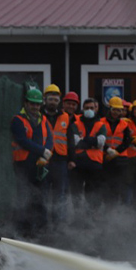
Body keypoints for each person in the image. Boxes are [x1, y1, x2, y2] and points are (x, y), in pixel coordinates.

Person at [10, 87, 53, 238]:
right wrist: (42, 151)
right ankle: (22, 232)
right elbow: (22, 141)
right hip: (23, 166)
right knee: (24, 198)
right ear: (26, 103)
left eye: (37, 104)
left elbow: (49, 138)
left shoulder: (44, 120)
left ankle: (42, 233)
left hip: (40, 166)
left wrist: (46, 154)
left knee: (40, 199)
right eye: (32, 103)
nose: (35, 107)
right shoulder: (18, 120)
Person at [69, 97, 105, 208]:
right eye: (86, 108)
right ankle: (78, 214)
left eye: (91, 108)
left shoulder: (101, 125)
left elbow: (101, 142)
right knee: (76, 190)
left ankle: (92, 215)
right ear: (82, 109)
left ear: (96, 109)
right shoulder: (75, 124)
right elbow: (75, 142)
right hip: (78, 162)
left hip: (95, 163)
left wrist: (84, 139)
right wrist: (92, 142)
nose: (89, 110)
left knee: (93, 191)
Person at [42, 84, 71, 223]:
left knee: (60, 194)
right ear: (45, 99)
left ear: (59, 101)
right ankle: (44, 222)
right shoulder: (39, 115)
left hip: (60, 160)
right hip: (44, 159)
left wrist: (72, 159)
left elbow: (70, 139)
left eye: (55, 99)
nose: (53, 102)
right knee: (44, 192)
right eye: (50, 99)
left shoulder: (65, 117)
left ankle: (59, 223)